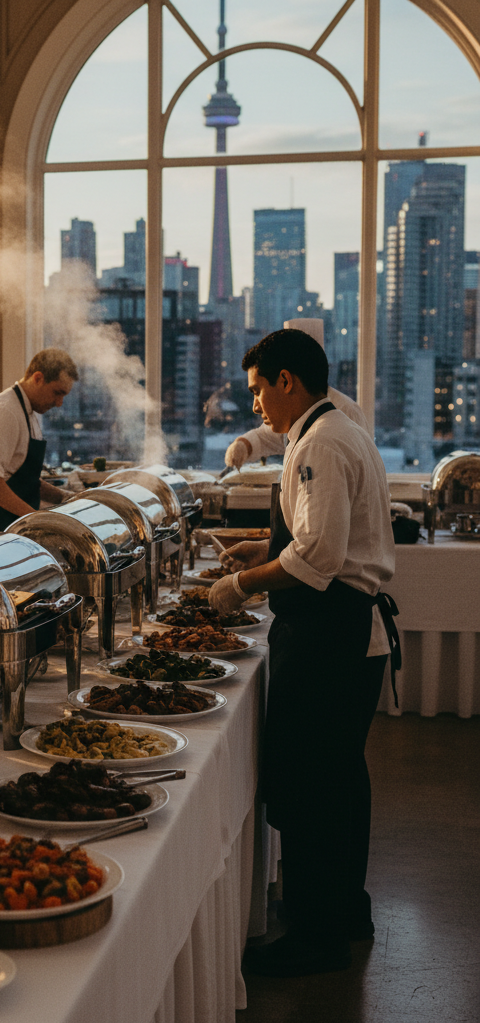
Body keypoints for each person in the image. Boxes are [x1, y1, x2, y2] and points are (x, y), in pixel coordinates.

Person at [207, 328, 400, 978]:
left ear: (288, 381)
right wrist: (263, 552)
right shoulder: (338, 429)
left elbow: (319, 557)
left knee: (311, 787)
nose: (257, 403)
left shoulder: (318, 442)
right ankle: (345, 910)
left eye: (260, 388)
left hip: (328, 637)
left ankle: (313, 940)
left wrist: (240, 585)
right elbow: (327, 541)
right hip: (347, 630)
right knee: (342, 782)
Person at [0, 348, 78, 537]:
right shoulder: (5, 411)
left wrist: (64, 497)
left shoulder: (27, 412)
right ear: (38, 378)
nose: (59, 403)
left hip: (11, 524)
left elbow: (23, 479)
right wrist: (34, 518)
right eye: (57, 393)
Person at [224, 319, 367, 468]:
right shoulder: (294, 415)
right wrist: (243, 445)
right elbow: (265, 437)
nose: (256, 407)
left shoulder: (345, 412)